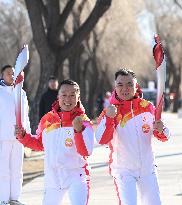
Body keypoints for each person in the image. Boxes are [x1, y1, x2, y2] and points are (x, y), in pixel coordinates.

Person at [95, 68, 170, 205]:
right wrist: (109, 118)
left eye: (129, 84)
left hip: (147, 169)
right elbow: (101, 139)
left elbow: (163, 135)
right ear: (115, 87)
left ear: (136, 86)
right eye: (120, 85)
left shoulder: (147, 107)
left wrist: (162, 129)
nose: (125, 88)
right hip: (124, 171)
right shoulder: (110, 111)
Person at [16, 79, 94, 205]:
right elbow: (40, 144)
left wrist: (78, 131)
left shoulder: (84, 121)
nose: (67, 99)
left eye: (72, 95)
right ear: (58, 96)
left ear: (78, 97)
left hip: (76, 176)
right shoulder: (47, 120)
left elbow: (86, 151)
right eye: (64, 95)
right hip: (53, 179)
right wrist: (23, 136)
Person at [0, 65, 31, 205]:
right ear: (2, 75)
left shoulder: (22, 93)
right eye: (8, 74)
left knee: (17, 170)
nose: (11, 76)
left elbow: (26, 116)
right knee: (3, 170)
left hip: (19, 138)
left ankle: (15, 198)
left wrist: (28, 138)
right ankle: (4, 199)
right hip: (3, 137)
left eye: (13, 74)